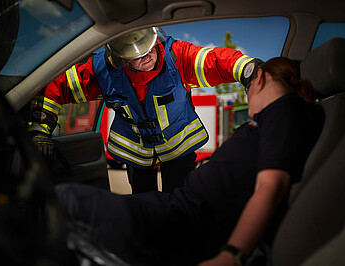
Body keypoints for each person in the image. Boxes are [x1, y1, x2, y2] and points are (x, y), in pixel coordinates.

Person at [55, 57, 325, 265]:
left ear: (261, 78)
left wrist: (232, 255)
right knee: (69, 209)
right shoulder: (274, 117)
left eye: (249, 86)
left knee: (67, 201)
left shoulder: (286, 109)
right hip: (178, 211)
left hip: (185, 223)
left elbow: (272, 184)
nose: (247, 93)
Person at [28, 27, 263, 193]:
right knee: (143, 207)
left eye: (149, 48)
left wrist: (249, 70)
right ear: (120, 57)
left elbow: (216, 60)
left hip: (179, 149)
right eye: (136, 55)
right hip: (136, 152)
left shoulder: (177, 56)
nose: (147, 56)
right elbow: (54, 86)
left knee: (180, 203)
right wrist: (40, 130)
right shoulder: (103, 70)